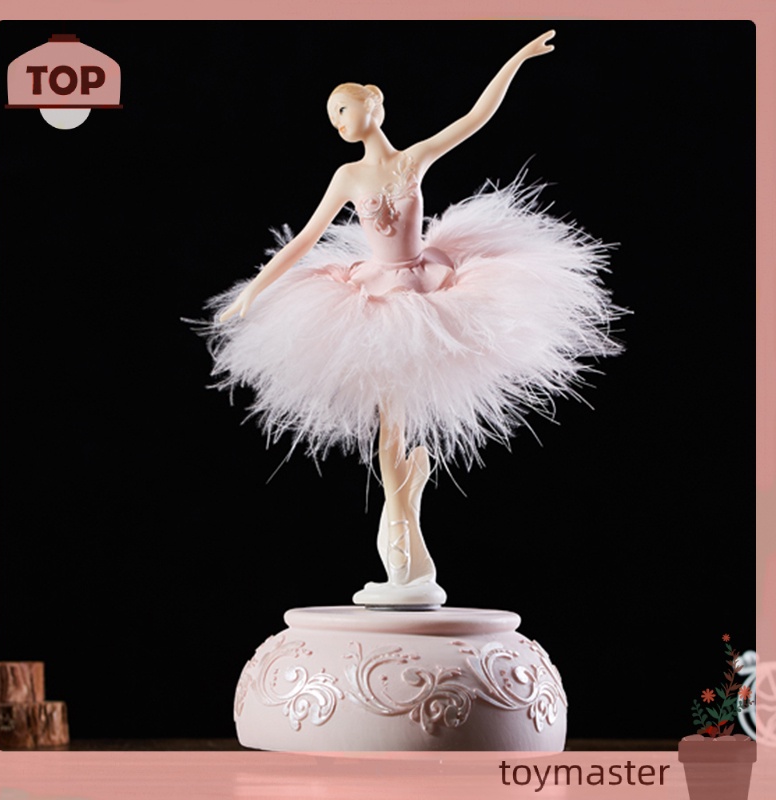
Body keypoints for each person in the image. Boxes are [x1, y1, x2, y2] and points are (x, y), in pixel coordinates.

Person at [205, 30, 622, 607]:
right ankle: (402, 545)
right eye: (332, 116)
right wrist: (255, 289)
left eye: (343, 109)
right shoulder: (347, 177)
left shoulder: (412, 159)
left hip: (425, 285)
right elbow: (305, 239)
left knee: (403, 420)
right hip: (374, 294)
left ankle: (408, 550)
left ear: (372, 108)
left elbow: (475, 118)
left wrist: (516, 60)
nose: (338, 122)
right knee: (389, 428)